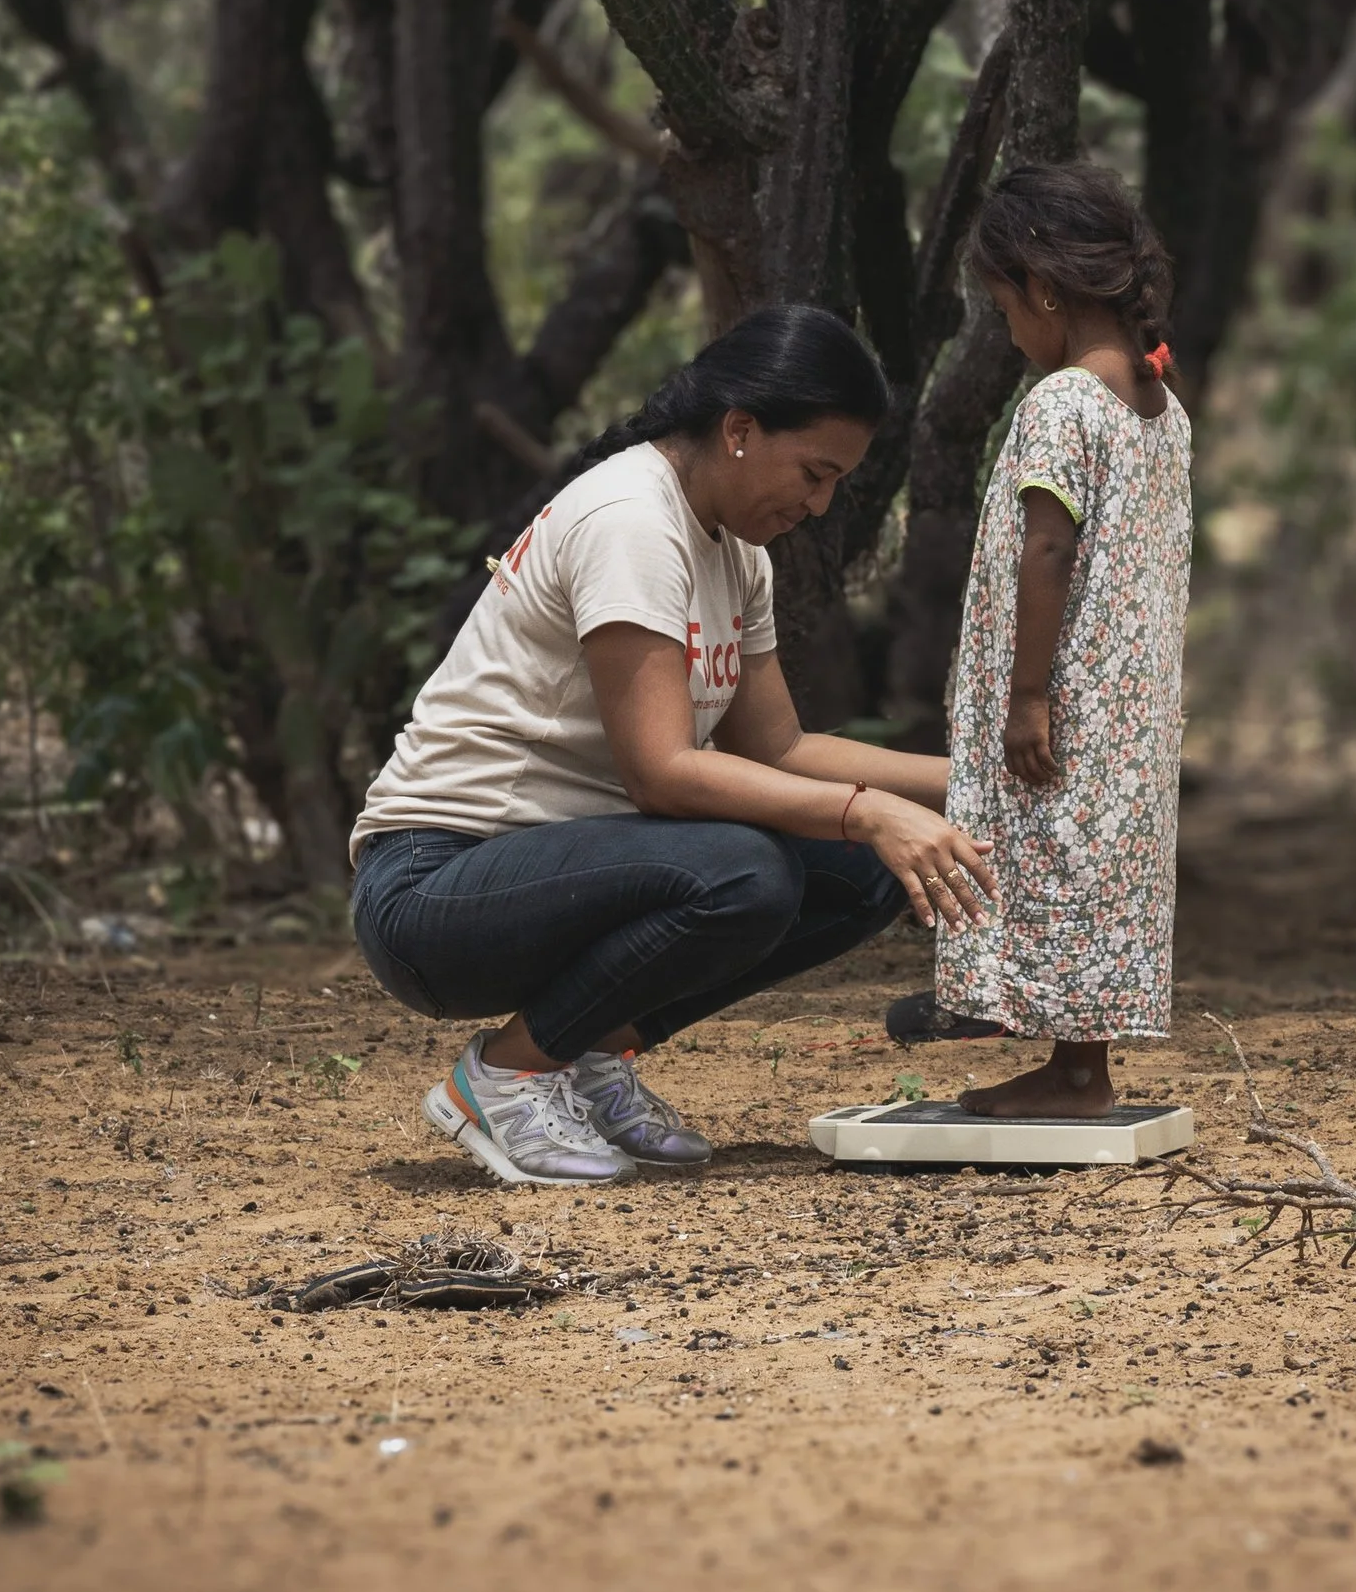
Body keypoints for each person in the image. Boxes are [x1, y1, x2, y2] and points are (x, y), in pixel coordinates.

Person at [348, 306, 996, 1186]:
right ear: (739, 429)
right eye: (814, 472)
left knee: (861, 874)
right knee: (744, 871)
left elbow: (781, 748)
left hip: (558, 876)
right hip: (433, 889)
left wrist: (978, 784)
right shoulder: (631, 522)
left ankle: (583, 1051)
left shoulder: (736, 553)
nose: (819, 504)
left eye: (837, 481)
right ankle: (502, 1076)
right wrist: (867, 809)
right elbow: (662, 774)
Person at [933, 161, 1194, 1118]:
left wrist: (1026, 695)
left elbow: (1048, 545)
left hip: (1068, 692)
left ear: (1044, 288)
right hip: (1131, 702)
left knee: (1046, 861)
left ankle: (1074, 1072)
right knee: (1093, 871)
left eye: (1005, 308)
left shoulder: (1062, 405)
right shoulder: (1160, 407)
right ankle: (1080, 1065)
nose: (1007, 331)